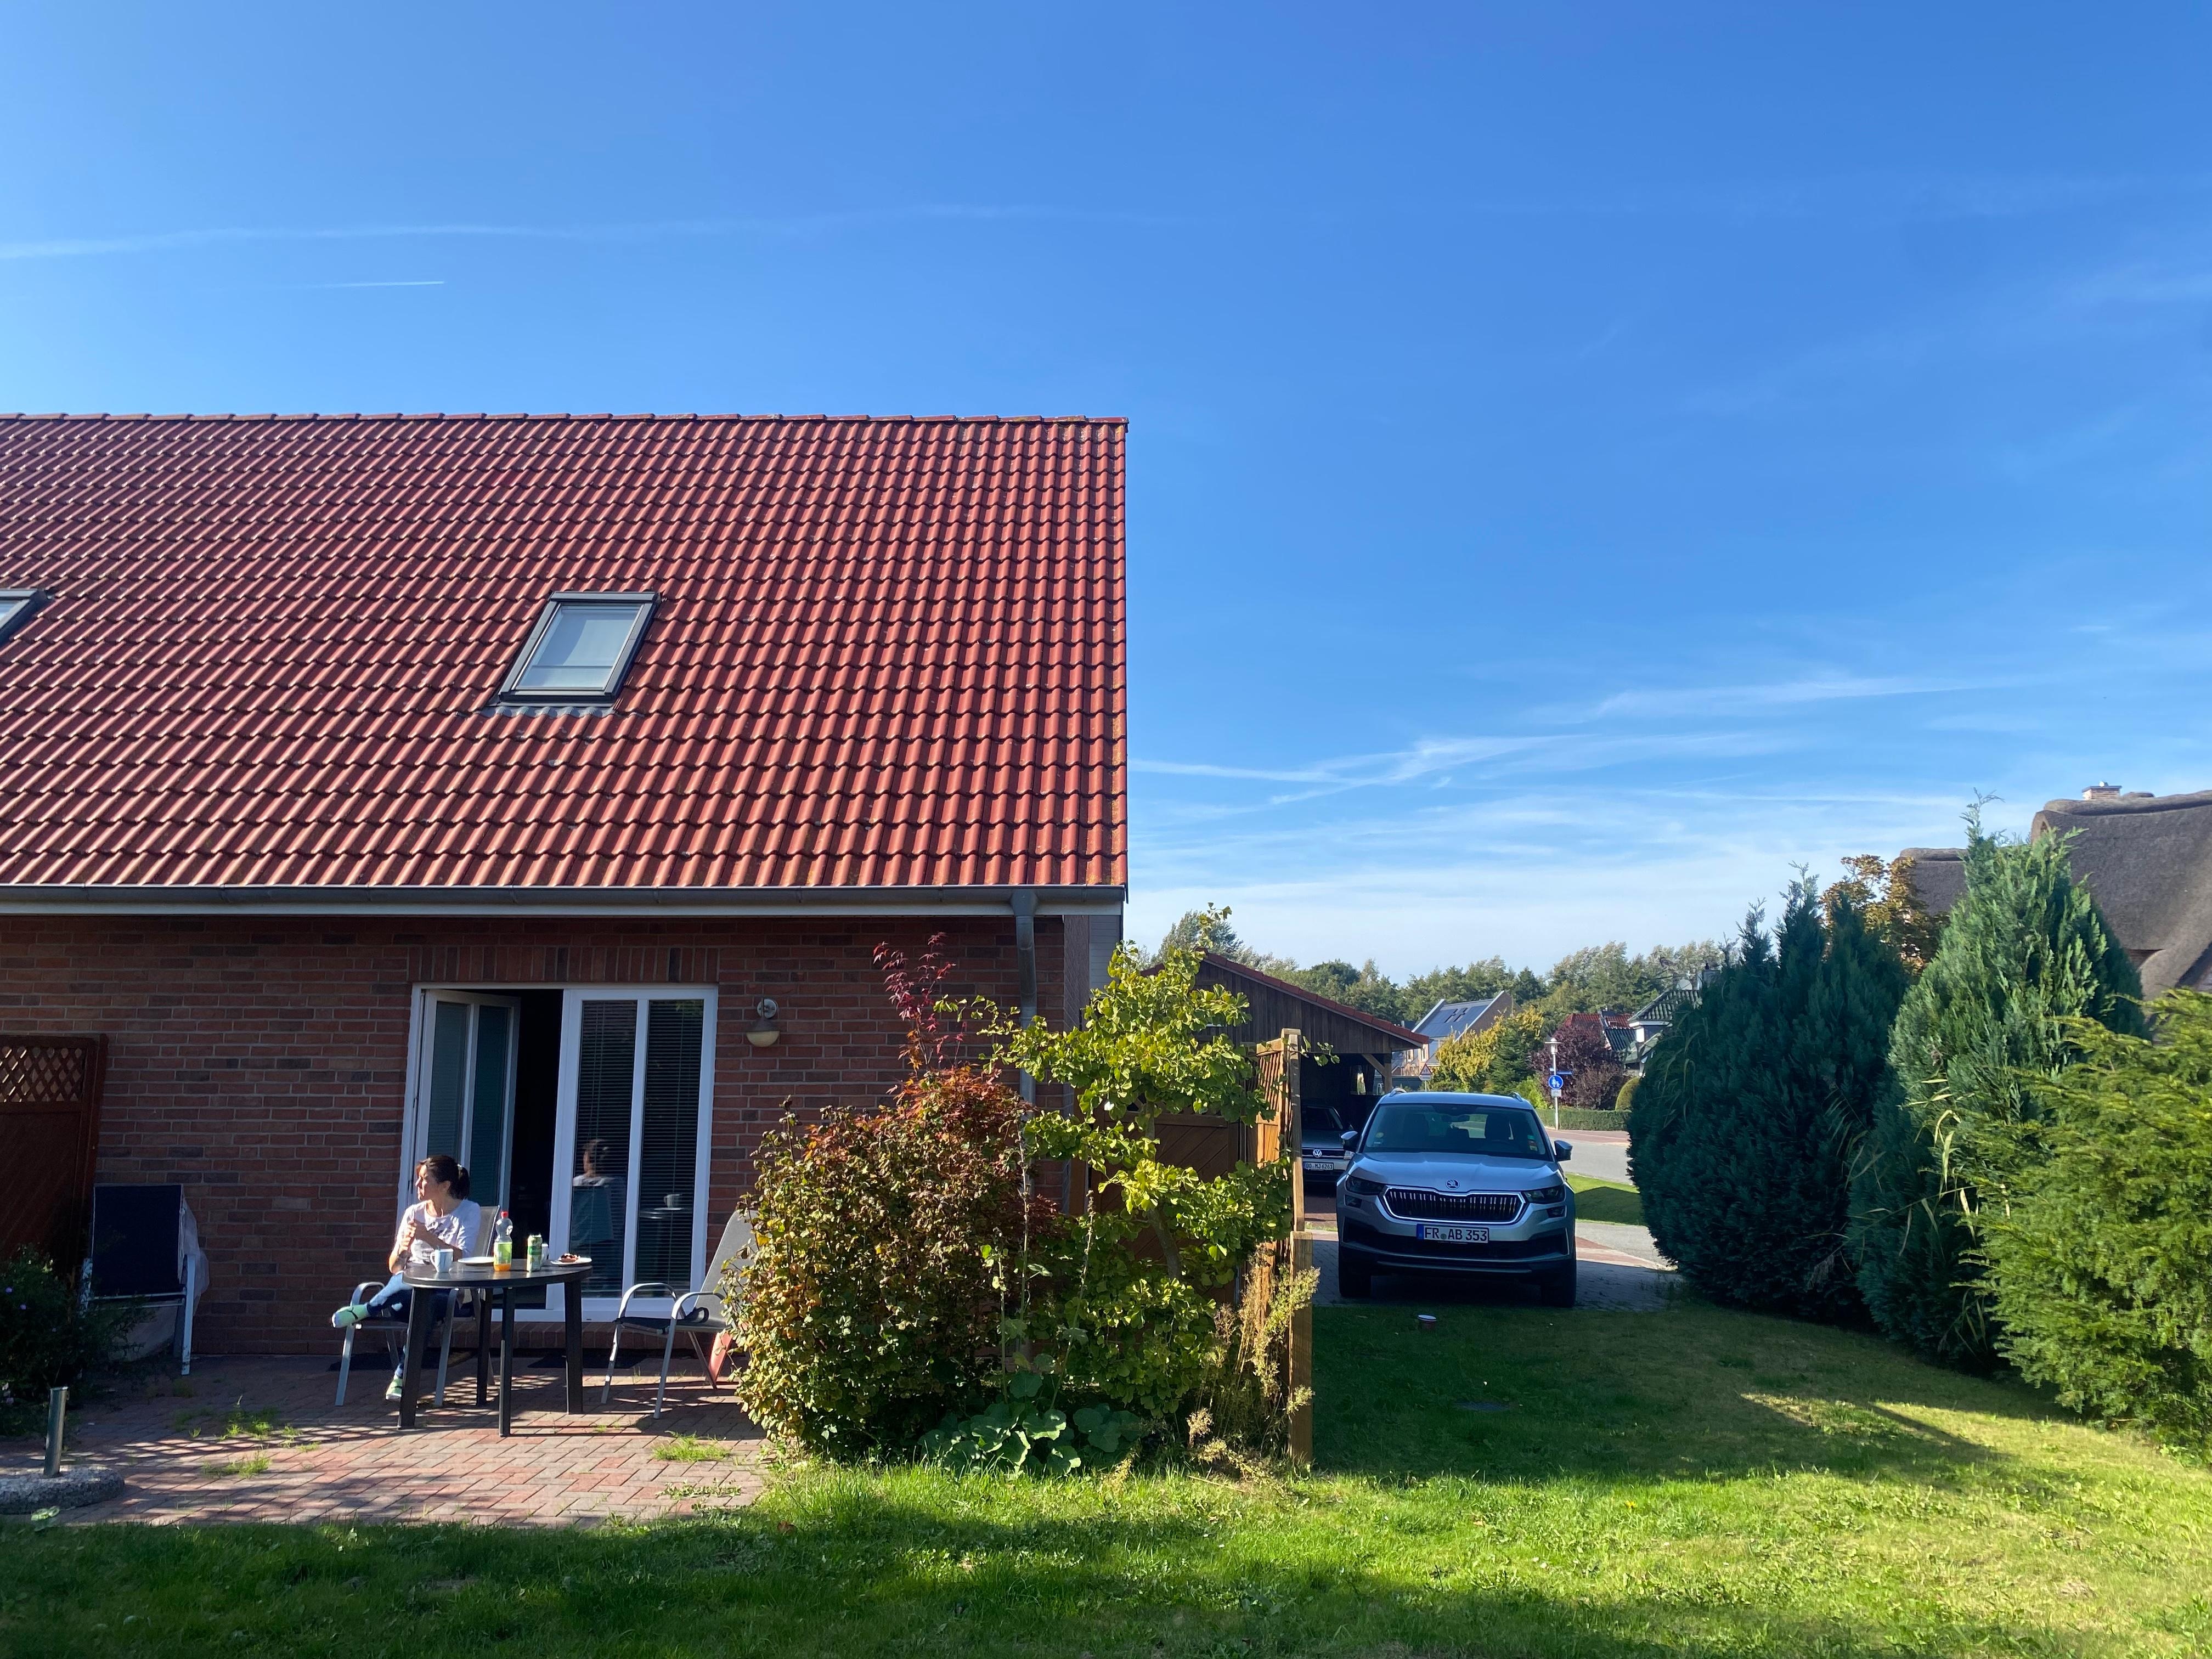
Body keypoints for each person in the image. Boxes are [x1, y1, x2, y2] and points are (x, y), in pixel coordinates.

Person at [330, 1154, 482, 1401]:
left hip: (447, 1293)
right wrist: (403, 1249)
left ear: (445, 1186)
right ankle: (400, 1378)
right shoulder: (413, 1213)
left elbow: (464, 1257)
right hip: (404, 1293)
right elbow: (394, 1267)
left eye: (425, 1180)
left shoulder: (468, 1211)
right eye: (418, 1179)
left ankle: (368, 1312)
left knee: (425, 1303)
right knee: (407, 1282)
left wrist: (429, 1237)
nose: (418, 1185)